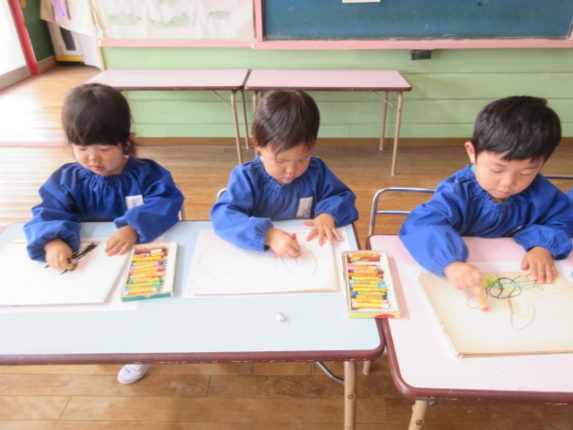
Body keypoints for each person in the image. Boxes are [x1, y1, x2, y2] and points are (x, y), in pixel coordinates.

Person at [24, 82, 184, 384]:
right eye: (82, 148)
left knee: (137, 309)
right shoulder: (67, 179)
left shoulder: (148, 174)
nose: (93, 158)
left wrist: (134, 227)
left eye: (104, 148)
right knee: (90, 306)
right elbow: (48, 209)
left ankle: (138, 351)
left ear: (127, 142)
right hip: (93, 261)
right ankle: (104, 343)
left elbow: (167, 201)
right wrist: (53, 240)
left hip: (139, 257)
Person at [399, 95, 573, 291]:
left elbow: (561, 219)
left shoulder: (540, 191)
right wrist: (450, 263)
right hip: (465, 270)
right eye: (497, 169)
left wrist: (542, 246)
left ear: (542, 164)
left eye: (526, 173)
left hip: (510, 266)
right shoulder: (457, 192)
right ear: (472, 152)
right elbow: (422, 224)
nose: (508, 183)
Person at [211, 89, 358, 257]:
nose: (291, 170)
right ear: (258, 143)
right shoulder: (247, 177)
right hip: (260, 255)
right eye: (281, 161)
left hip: (307, 250)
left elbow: (342, 196)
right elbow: (224, 217)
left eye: (303, 158)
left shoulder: (317, 171)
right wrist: (268, 235)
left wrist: (328, 214)